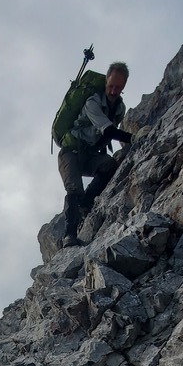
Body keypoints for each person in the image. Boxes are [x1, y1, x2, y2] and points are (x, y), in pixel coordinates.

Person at [57, 62, 132, 247]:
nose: (113, 91)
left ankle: (86, 203)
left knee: (109, 165)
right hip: (70, 153)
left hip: (89, 154)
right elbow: (109, 131)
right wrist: (134, 137)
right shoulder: (93, 102)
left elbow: (110, 133)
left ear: (124, 86)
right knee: (74, 189)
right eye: (111, 85)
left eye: (118, 87)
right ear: (106, 81)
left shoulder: (119, 108)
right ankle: (69, 236)